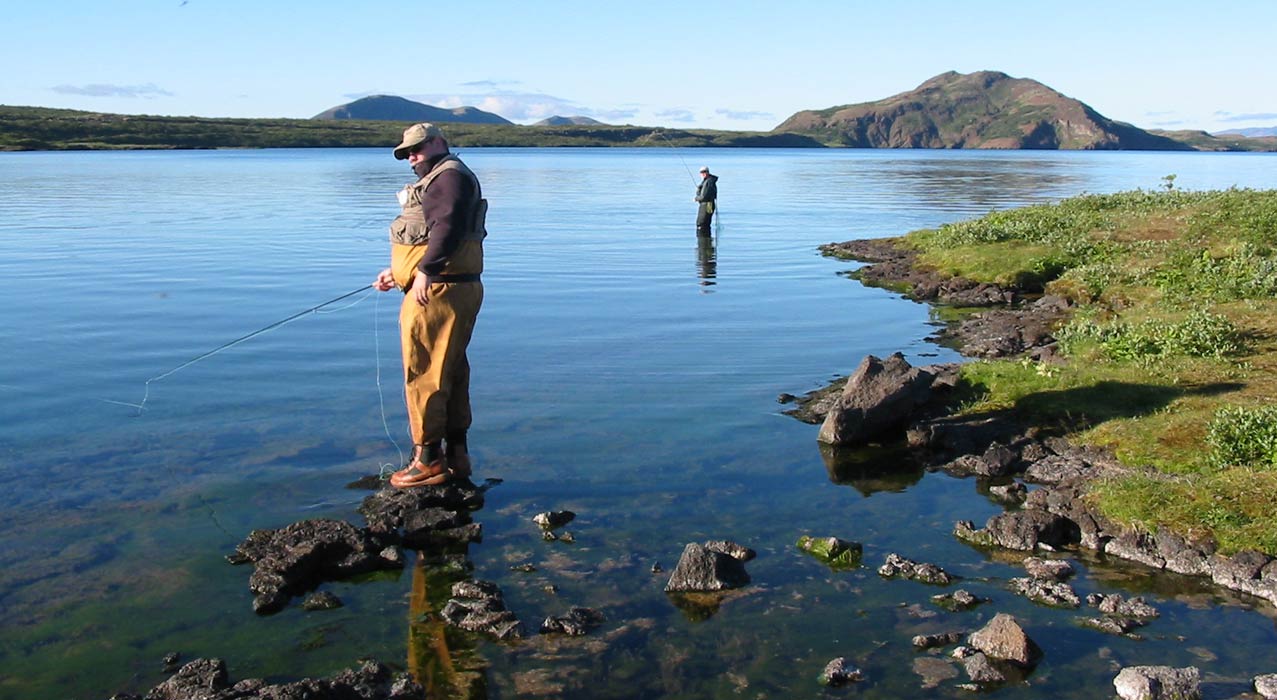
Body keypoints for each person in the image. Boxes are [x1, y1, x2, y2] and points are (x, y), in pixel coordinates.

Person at [373, 123, 487, 489]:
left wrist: (424, 272)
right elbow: (430, 232)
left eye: (418, 148)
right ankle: (457, 455)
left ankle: (427, 460)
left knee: (424, 371)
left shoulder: (447, 177)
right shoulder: (444, 177)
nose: (412, 157)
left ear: (439, 141)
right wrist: (400, 273)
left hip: (438, 290)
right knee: (449, 369)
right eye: (406, 153)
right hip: (441, 286)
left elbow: (447, 226)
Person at [694, 166, 718, 233]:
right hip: (709, 204)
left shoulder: (708, 182)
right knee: (706, 223)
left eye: (705, 172)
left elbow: (703, 197)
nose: (703, 173)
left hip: (707, 205)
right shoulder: (709, 181)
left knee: (701, 223)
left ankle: (704, 240)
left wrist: (696, 198)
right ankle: (707, 241)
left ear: (708, 172)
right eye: (701, 172)